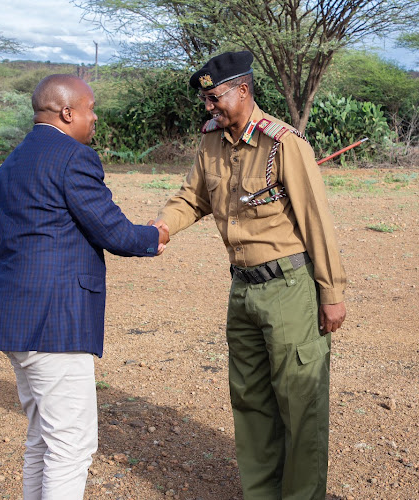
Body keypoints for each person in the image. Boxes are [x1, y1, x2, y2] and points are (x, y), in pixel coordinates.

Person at [152, 50, 346, 499]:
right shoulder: (211, 143)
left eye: (215, 98)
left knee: (300, 407)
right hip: (242, 291)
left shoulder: (283, 144)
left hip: (289, 289)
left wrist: (331, 293)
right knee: (252, 403)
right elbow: (193, 197)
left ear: (243, 91)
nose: (209, 107)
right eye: (206, 101)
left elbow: (316, 221)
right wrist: (162, 226)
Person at [0, 74, 169, 500]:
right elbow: (112, 231)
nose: (94, 116)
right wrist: (154, 237)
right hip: (55, 326)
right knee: (71, 446)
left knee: (43, 440)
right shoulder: (73, 157)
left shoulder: (11, 164)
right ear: (67, 113)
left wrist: (25, 283)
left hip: (15, 320)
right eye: (90, 107)